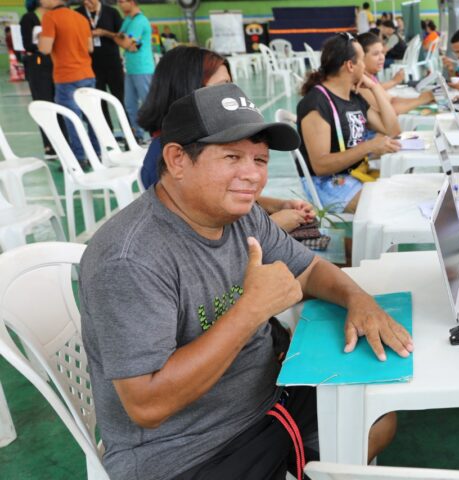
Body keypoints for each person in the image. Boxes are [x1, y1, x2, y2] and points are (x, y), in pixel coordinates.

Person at [79, 82, 412, 479]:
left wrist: (359, 300)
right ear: (177, 160)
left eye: (260, 159)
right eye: (233, 156)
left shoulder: (240, 214)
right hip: (187, 452)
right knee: (348, 451)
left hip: (266, 399)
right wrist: (251, 310)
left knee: (378, 418)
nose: (252, 175)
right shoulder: (130, 260)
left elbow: (307, 269)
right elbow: (147, 406)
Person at [137, 46, 314, 232]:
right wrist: (275, 226)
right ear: (188, 90)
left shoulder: (206, 142)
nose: (230, 97)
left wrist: (278, 205)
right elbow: (200, 242)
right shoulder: (169, 163)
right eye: (220, 87)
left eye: (230, 86)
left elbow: (223, 192)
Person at [297, 33, 401, 213]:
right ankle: (359, 240)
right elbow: (320, 166)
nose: (365, 67)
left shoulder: (353, 98)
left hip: (353, 173)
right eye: (361, 60)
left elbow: (392, 130)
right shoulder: (317, 103)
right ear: (350, 65)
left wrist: (375, 87)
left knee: (399, 194)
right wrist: (368, 147)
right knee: (390, 207)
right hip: (327, 183)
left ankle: (354, 241)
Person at [38, 0, 97, 166]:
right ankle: (97, 152)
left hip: (66, 77)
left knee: (72, 120)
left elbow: (45, 49)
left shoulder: (50, 17)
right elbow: (90, 48)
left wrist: (40, 37)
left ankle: (79, 157)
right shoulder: (81, 18)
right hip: (86, 73)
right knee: (91, 117)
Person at [95, 0, 154, 142]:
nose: (120, 5)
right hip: (130, 69)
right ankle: (137, 135)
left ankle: (156, 134)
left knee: (148, 103)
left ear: (132, 2)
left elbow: (126, 42)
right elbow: (121, 39)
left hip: (143, 69)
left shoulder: (139, 21)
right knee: (129, 104)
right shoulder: (128, 20)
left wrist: (123, 40)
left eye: (122, 2)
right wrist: (122, 40)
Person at [76, 0, 125, 136]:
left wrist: (105, 33)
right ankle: (107, 135)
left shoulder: (111, 12)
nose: (87, 3)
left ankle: (129, 134)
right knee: (99, 102)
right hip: (92, 66)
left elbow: (121, 36)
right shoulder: (78, 13)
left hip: (113, 64)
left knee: (120, 99)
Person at [357, 31, 433, 114]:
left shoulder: (369, 77)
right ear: (360, 57)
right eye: (376, 54)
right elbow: (390, 110)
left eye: (382, 52)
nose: (382, 57)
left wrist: (424, 98)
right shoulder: (360, 83)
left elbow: (392, 100)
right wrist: (425, 98)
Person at [19, 0, 58, 159]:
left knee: (59, 105)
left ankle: (64, 142)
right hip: (38, 66)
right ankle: (49, 146)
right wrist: (45, 41)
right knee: (44, 104)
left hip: (56, 64)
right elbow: (27, 44)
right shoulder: (29, 18)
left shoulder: (56, 16)